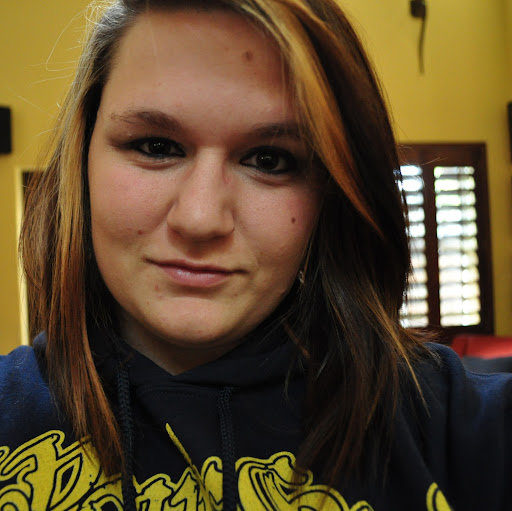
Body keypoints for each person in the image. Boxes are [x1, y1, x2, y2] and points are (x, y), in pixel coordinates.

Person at [1, 0, 511, 509]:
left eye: (270, 160)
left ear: (332, 195)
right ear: (83, 158)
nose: (200, 218)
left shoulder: (458, 428)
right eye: (156, 146)